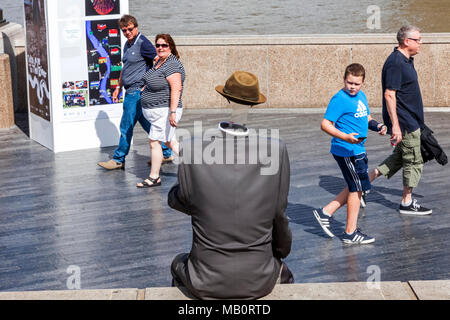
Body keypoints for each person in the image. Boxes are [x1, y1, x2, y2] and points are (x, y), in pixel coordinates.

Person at [168, 71, 293, 300]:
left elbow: (179, 199)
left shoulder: (193, 148)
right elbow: (279, 212)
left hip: (204, 278)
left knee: (177, 263)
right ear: (254, 105)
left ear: (225, 98)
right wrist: (281, 252)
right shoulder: (275, 149)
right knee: (286, 274)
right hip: (259, 277)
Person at [313, 63, 387, 244]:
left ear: (363, 83)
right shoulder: (339, 99)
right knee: (357, 188)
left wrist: (378, 126)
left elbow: (367, 118)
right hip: (346, 150)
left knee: (357, 186)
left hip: (358, 149)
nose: (352, 87)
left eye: (357, 84)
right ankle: (350, 233)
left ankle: (326, 212)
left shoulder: (361, 96)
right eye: (349, 83)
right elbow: (325, 124)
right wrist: (345, 137)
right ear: (344, 79)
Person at [367, 25, 432, 215]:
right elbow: (389, 94)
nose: (421, 43)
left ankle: (362, 186)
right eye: (418, 39)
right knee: (413, 161)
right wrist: (395, 125)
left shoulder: (406, 60)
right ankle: (406, 202)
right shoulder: (396, 62)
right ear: (407, 41)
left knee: (398, 159)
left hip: (411, 120)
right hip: (405, 123)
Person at [97, 15, 172, 171]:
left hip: (137, 92)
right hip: (129, 89)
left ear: (136, 27)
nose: (128, 32)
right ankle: (166, 152)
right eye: (124, 30)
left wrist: (149, 83)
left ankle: (118, 159)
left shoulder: (143, 43)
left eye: (130, 29)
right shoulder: (127, 44)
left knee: (126, 126)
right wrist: (118, 87)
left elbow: (159, 60)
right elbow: (125, 68)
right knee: (147, 124)